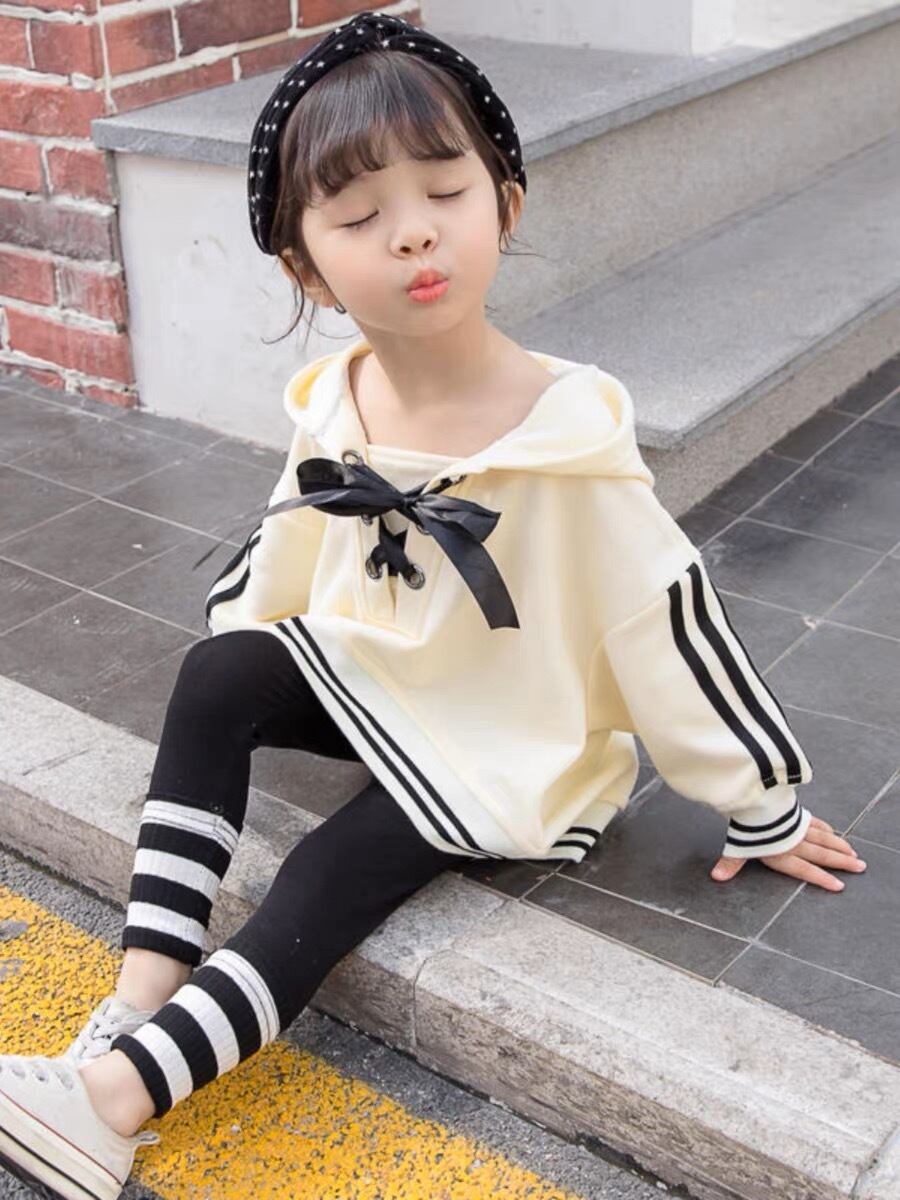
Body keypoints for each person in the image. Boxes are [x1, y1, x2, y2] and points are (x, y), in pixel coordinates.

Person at [0, 9, 866, 1199]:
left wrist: (761, 803)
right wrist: (251, 656)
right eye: (360, 217)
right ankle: (135, 1002)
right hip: (391, 676)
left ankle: (115, 1102)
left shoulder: (566, 439)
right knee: (216, 670)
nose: (413, 231)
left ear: (505, 203)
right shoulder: (339, 395)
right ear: (306, 266)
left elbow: (667, 621)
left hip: (509, 741)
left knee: (332, 867)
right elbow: (290, 538)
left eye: (445, 192)